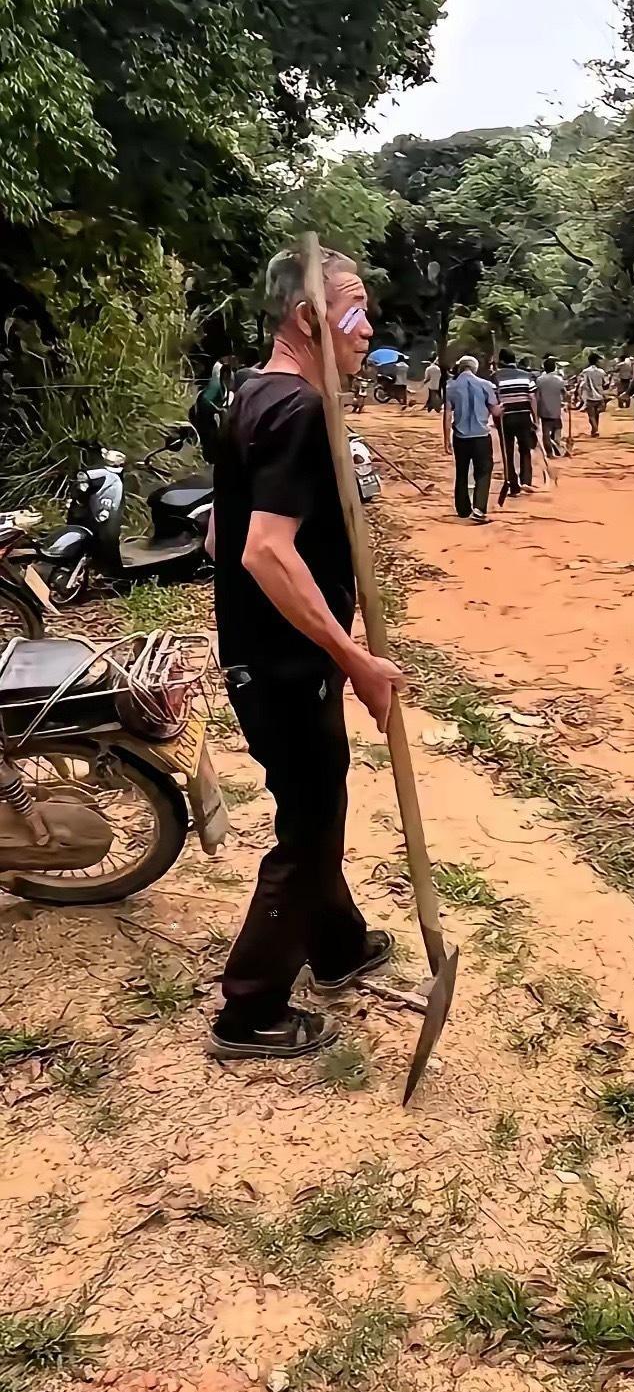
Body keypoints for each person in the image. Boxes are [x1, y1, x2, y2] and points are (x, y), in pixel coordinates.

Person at [205, 246, 403, 1060]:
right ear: (310, 318)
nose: (368, 329)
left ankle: (339, 947)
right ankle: (248, 1011)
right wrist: (354, 659)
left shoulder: (249, 396)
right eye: (355, 310)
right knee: (313, 826)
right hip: (286, 668)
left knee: (314, 806)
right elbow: (262, 552)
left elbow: (220, 534)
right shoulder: (298, 413)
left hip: (261, 658)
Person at [444, 354, 500, 522]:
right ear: (475, 368)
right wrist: (501, 408)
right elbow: (495, 411)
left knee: (461, 471)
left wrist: (446, 440)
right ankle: (479, 508)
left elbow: (447, 415)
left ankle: (462, 509)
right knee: (483, 471)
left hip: (460, 437)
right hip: (481, 436)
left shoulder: (450, 386)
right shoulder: (485, 385)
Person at [494, 349, 537, 496]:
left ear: (501, 361)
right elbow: (532, 398)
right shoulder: (527, 376)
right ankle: (526, 481)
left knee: (508, 452)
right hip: (524, 417)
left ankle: (513, 485)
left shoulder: (495, 377)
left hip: (505, 419)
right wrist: (535, 418)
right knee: (525, 450)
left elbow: (493, 400)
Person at [537, 356, 566, 459]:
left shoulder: (539, 380)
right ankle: (557, 447)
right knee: (557, 428)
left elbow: (537, 395)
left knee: (546, 432)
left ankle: (549, 452)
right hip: (556, 408)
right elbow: (564, 392)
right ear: (554, 368)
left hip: (543, 409)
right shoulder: (559, 380)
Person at [579, 352, 607, 437]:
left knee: (591, 416)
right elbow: (605, 383)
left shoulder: (585, 372)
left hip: (590, 396)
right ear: (597, 361)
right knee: (597, 414)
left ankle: (595, 429)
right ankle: (595, 429)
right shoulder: (601, 372)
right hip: (599, 396)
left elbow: (582, 383)